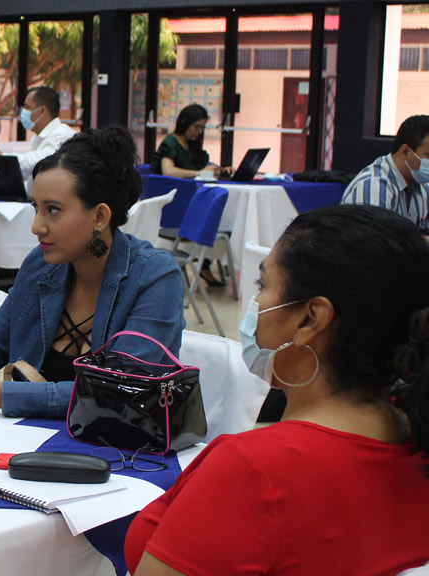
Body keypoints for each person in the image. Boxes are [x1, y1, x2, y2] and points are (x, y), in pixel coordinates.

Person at [125, 204, 429, 575]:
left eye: (263, 285)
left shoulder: (253, 472)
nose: (256, 305)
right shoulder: (414, 436)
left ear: (310, 319)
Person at [0, 126, 185, 418]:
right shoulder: (40, 266)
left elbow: (117, 390)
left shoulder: (155, 276)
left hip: (122, 454)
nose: (36, 226)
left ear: (99, 216)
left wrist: (2, 395)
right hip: (27, 441)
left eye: (53, 210)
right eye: (36, 207)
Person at [150, 104, 228, 287]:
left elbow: (201, 168)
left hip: (188, 201)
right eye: (197, 127)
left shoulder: (193, 147)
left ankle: (205, 263)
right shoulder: (170, 143)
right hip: (175, 205)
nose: (199, 132)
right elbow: (168, 171)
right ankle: (204, 265)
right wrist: (199, 171)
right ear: (184, 122)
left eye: (203, 128)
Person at [342, 114, 429, 234]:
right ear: (405, 152)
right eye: (428, 156)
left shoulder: (421, 187)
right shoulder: (374, 186)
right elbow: (370, 244)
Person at [0, 86, 77, 182]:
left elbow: (37, 163)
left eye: (27, 107)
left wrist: (1, 157)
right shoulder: (39, 137)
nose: (23, 112)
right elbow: (26, 172)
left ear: (42, 111)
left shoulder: (62, 135)